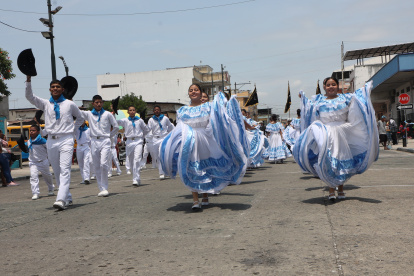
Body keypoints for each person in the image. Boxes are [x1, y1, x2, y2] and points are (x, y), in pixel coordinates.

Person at [160, 84, 247, 210]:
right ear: (188, 93)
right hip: (189, 142)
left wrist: (225, 101)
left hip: (206, 140)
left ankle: (205, 194)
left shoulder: (208, 106)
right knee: (191, 169)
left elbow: (219, 118)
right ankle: (195, 200)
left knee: (205, 168)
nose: (193, 92)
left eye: (196, 90)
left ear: (201, 93)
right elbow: (179, 128)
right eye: (191, 90)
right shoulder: (182, 110)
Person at [294, 77, 379, 200]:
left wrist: (366, 89)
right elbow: (310, 110)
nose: (331, 87)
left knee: (341, 160)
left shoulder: (346, 98)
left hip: (342, 133)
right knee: (329, 161)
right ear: (324, 87)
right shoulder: (318, 100)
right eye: (328, 85)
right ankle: (331, 191)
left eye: (333, 84)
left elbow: (359, 100)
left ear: (337, 86)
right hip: (327, 134)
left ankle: (341, 189)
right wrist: (303, 98)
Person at [25, 75, 83, 210]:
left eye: (58, 87)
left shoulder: (69, 104)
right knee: (57, 171)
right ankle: (67, 197)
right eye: (53, 87)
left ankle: (61, 199)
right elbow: (30, 97)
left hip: (66, 140)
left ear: (62, 89)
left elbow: (79, 117)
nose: (55, 89)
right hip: (51, 140)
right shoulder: (46, 104)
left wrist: (73, 131)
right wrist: (28, 79)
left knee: (65, 169)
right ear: (50, 90)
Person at [80, 95, 118, 197]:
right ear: (93, 103)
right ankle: (101, 188)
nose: (99, 104)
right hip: (94, 141)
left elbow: (116, 127)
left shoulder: (107, 114)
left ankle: (105, 187)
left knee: (103, 164)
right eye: (96, 102)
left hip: (105, 140)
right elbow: (77, 112)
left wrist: (109, 136)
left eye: (100, 102)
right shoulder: (88, 114)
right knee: (96, 165)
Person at [116, 106, 149, 186]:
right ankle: (137, 177)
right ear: (128, 112)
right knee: (131, 161)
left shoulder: (139, 120)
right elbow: (116, 122)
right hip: (129, 141)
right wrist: (114, 112)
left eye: (133, 110)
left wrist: (142, 137)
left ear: (135, 111)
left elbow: (146, 129)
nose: (132, 111)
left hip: (138, 141)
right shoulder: (125, 120)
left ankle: (135, 179)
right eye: (130, 110)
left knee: (137, 159)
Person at [147, 105, 174, 179]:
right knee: (157, 156)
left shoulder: (165, 118)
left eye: (158, 110)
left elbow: (170, 126)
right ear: (153, 111)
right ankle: (162, 172)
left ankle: (164, 171)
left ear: (160, 110)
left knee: (163, 155)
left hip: (164, 138)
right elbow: (148, 129)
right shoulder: (151, 120)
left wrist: (167, 133)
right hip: (155, 139)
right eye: (155, 110)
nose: (156, 111)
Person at [27, 125, 55, 200]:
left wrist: (50, 159)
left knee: (47, 176)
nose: (31, 132)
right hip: (33, 162)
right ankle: (35, 193)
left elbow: (49, 149)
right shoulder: (29, 141)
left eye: (33, 130)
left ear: (38, 132)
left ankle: (51, 189)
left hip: (43, 161)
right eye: (30, 130)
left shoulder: (43, 141)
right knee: (33, 177)